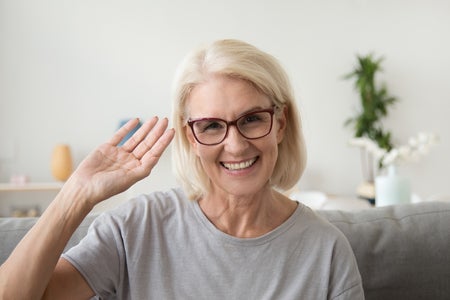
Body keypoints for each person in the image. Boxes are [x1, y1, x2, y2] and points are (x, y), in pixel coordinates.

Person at [0, 39, 364, 299]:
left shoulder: (326, 251)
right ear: (190, 136)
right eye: (211, 126)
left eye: (252, 119)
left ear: (281, 124)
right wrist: (75, 195)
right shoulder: (137, 227)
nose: (235, 145)